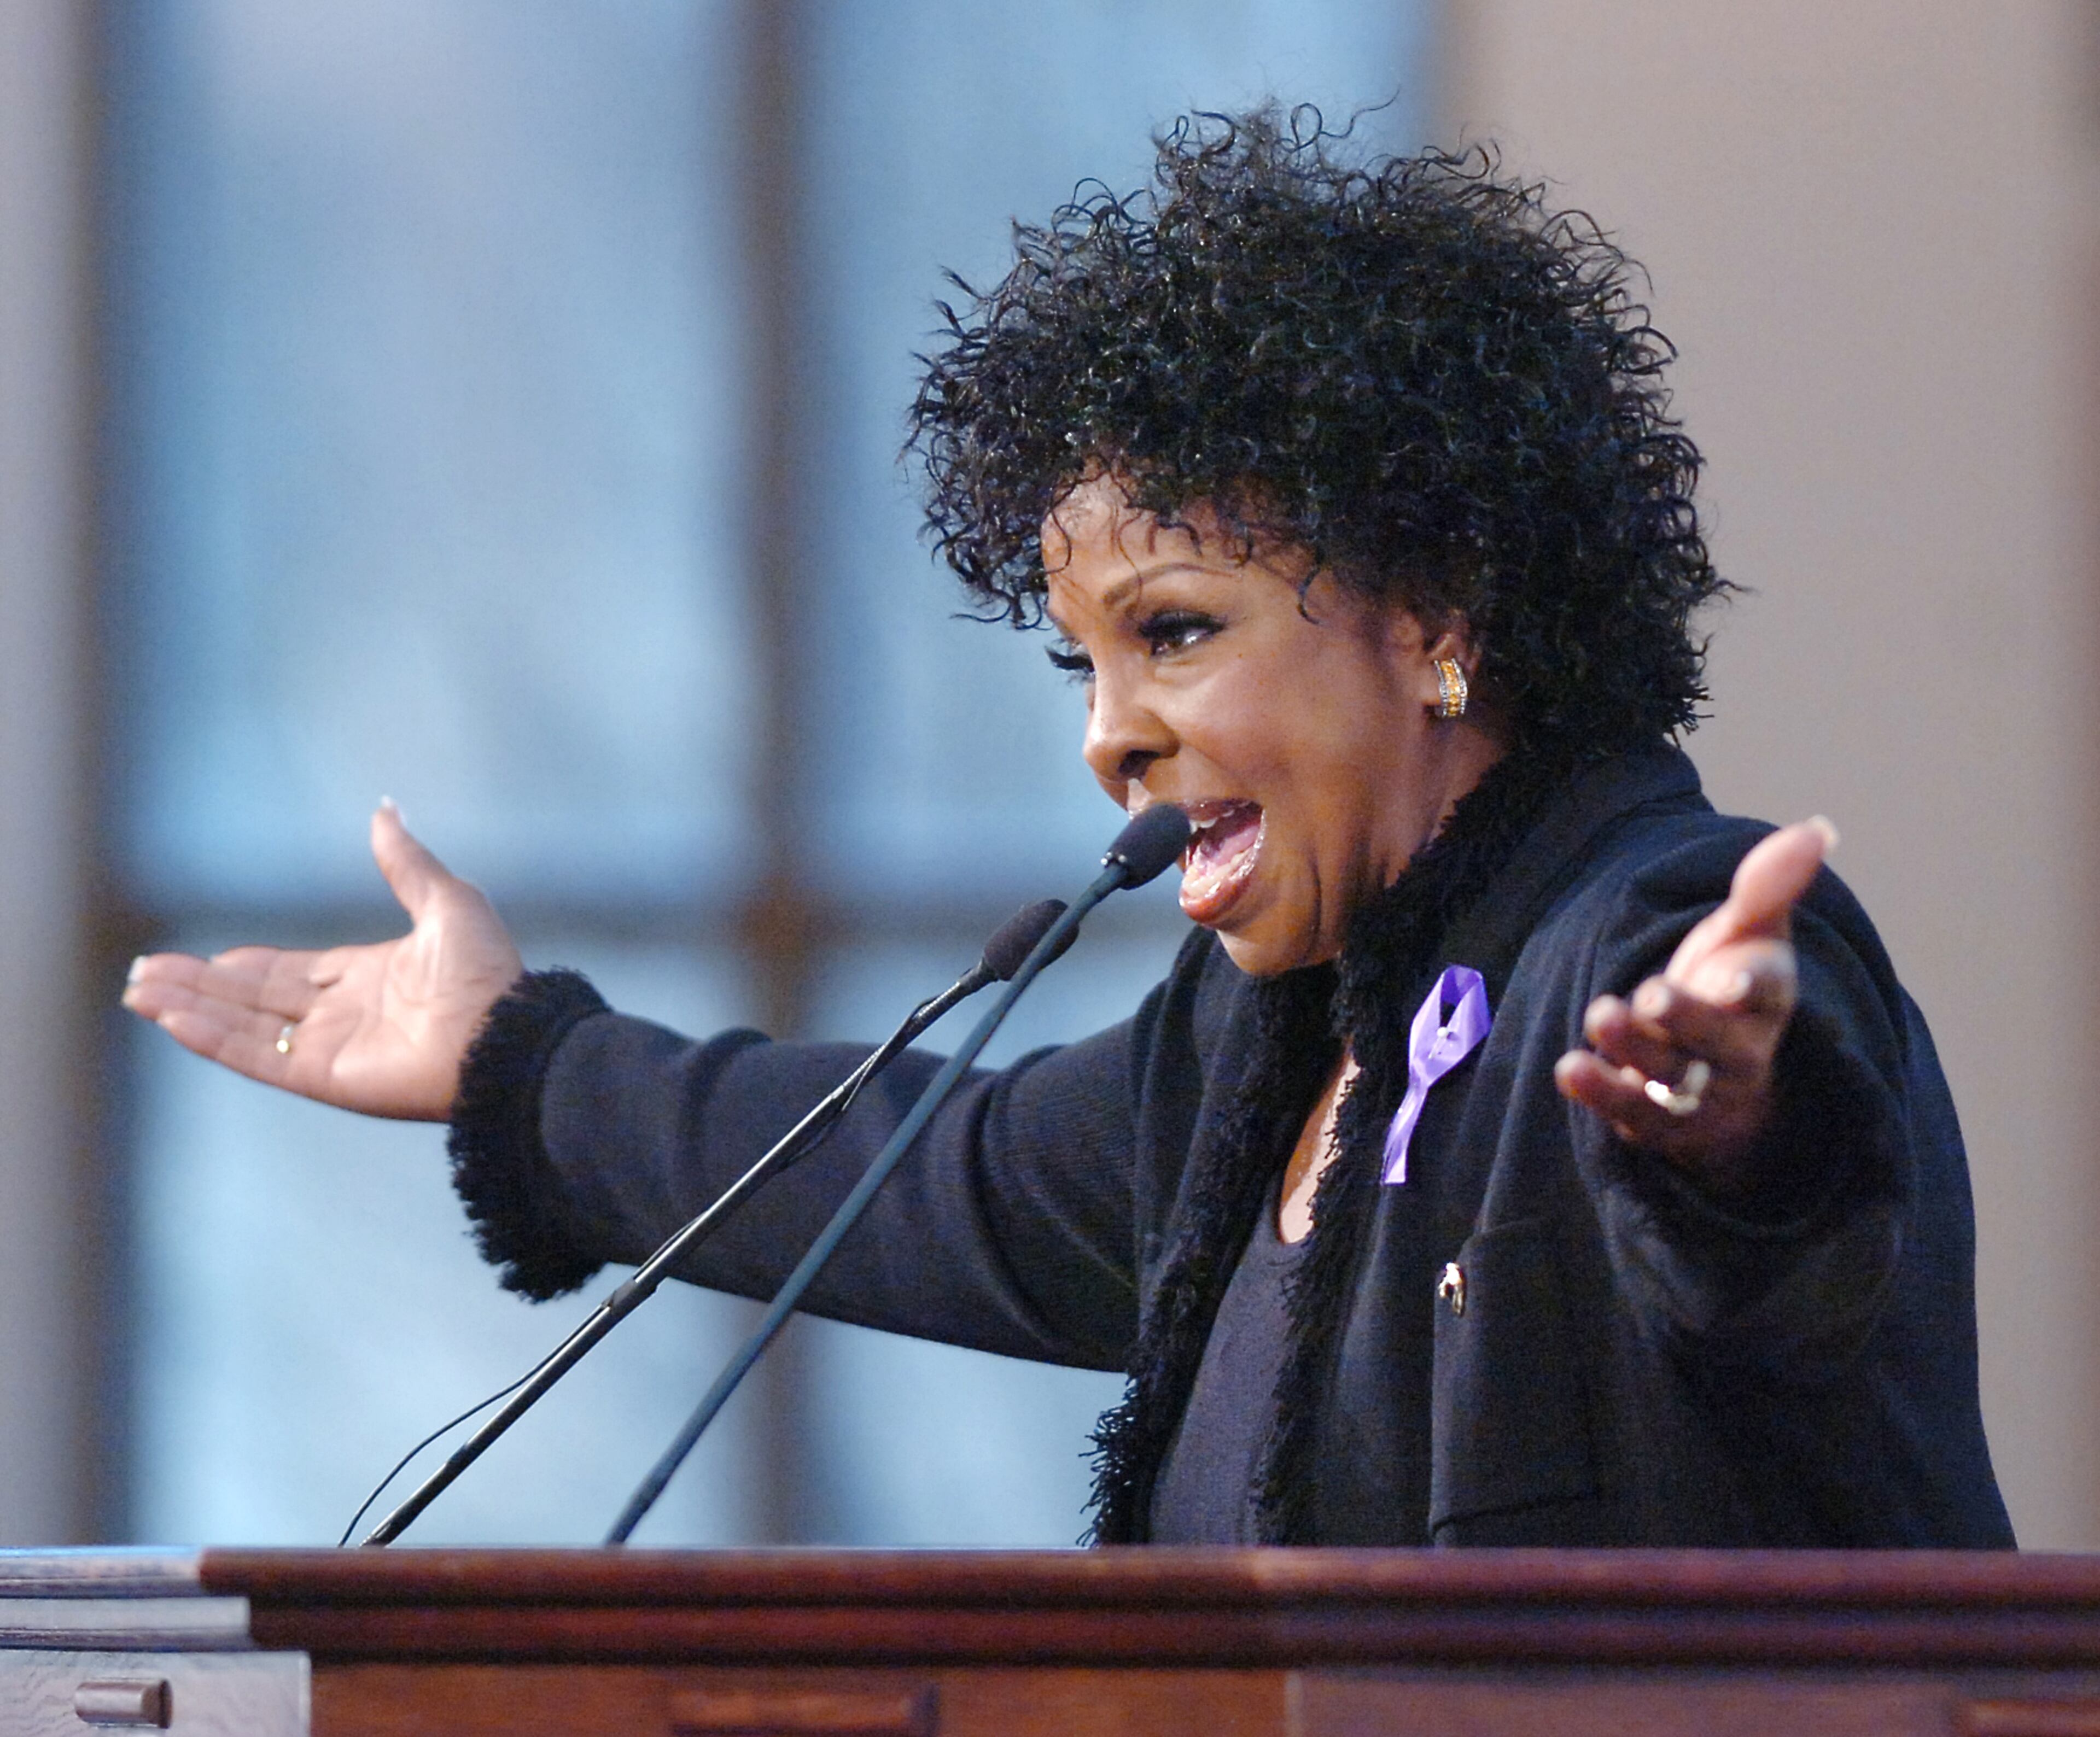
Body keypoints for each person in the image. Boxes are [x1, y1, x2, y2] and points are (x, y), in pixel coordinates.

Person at [121, 109, 2013, 1548]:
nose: (1112, 738)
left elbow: (1796, 1247)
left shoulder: (1649, 945)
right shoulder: (1246, 1066)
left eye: (1175, 631)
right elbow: (888, 1164)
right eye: (1083, 664)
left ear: (1436, 614)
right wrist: (518, 1073)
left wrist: (1731, 1138)